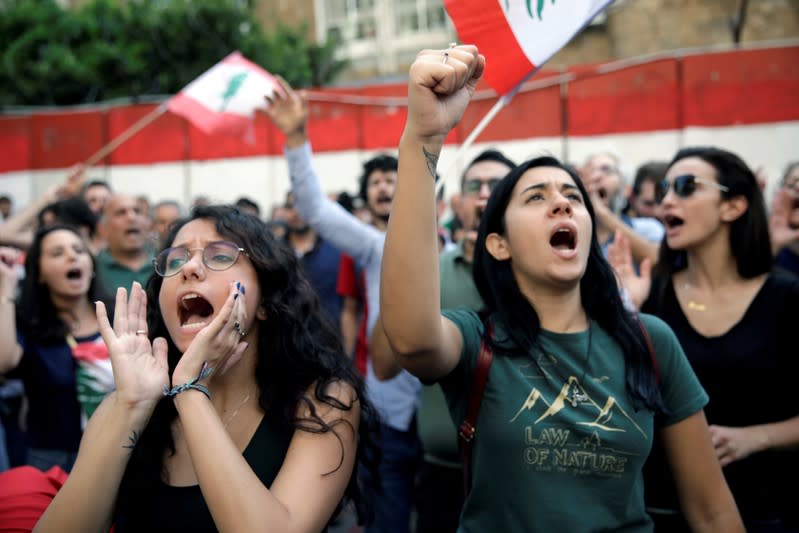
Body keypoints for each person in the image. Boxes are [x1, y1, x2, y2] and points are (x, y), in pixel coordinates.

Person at [377, 44, 743, 532]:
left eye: (573, 197)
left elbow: (712, 511)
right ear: (498, 245)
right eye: (536, 197)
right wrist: (422, 139)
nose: (561, 205)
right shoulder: (476, 342)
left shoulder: (652, 343)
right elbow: (411, 339)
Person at [33, 205, 376, 532]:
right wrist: (132, 406)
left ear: (266, 303)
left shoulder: (323, 401)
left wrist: (190, 388)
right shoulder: (124, 404)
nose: (190, 268)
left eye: (221, 256)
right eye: (176, 259)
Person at [609, 147, 799, 532]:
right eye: (665, 188)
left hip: (765, 511)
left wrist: (757, 437)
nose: (666, 200)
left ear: (733, 206)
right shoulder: (653, 294)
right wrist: (630, 310)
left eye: (685, 186)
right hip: (658, 512)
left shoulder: (786, 298)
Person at [266, 80, 421, 533]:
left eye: (396, 181)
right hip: (387, 411)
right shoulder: (374, 247)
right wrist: (296, 137)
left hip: (445, 424)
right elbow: (315, 209)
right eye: (377, 183)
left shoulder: (456, 255)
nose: (387, 190)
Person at [0, 225, 113, 473]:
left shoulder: (118, 315)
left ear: (91, 265)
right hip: (53, 461)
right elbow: (4, 362)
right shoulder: (28, 325)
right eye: (57, 253)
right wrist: (6, 287)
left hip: (118, 454)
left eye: (79, 250)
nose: (72, 256)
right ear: (39, 273)